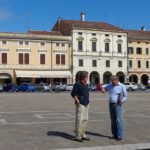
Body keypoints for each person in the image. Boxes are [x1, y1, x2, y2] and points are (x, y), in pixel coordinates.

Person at [101, 75, 127, 141]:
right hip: (111, 104)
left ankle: (120, 135)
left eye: (113, 82)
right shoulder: (110, 85)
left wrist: (122, 101)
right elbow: (103, 87)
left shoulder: (122, 86)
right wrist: (103, 90)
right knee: (113, 120)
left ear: (117, 80)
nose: (112, 83)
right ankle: (114, 134)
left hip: (118, 104)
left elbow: (125, 96)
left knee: (118, 120)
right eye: (111, 82)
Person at [71, 71, 90, 142]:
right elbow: (73, 94)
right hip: (80, 104)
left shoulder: (85, 84)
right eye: (87, 76)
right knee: (79, 120)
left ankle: (83, 134)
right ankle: (78, 136)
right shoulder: (77, 84)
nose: (88, 78)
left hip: (86, 103)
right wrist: (77, 101)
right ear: (83, 77)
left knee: (85, 119)